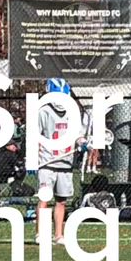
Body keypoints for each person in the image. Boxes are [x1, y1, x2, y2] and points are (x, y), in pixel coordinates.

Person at [36, 78, 77, 245]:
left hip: (66, 162)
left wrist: (83, 142)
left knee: (61, 201)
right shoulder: (43, 111)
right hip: (47, 162)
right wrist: (32, 158)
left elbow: (78, 134)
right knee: (44, 198)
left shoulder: (72, 112)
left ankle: (59, 235)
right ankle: (40, 234)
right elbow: (34, 135)